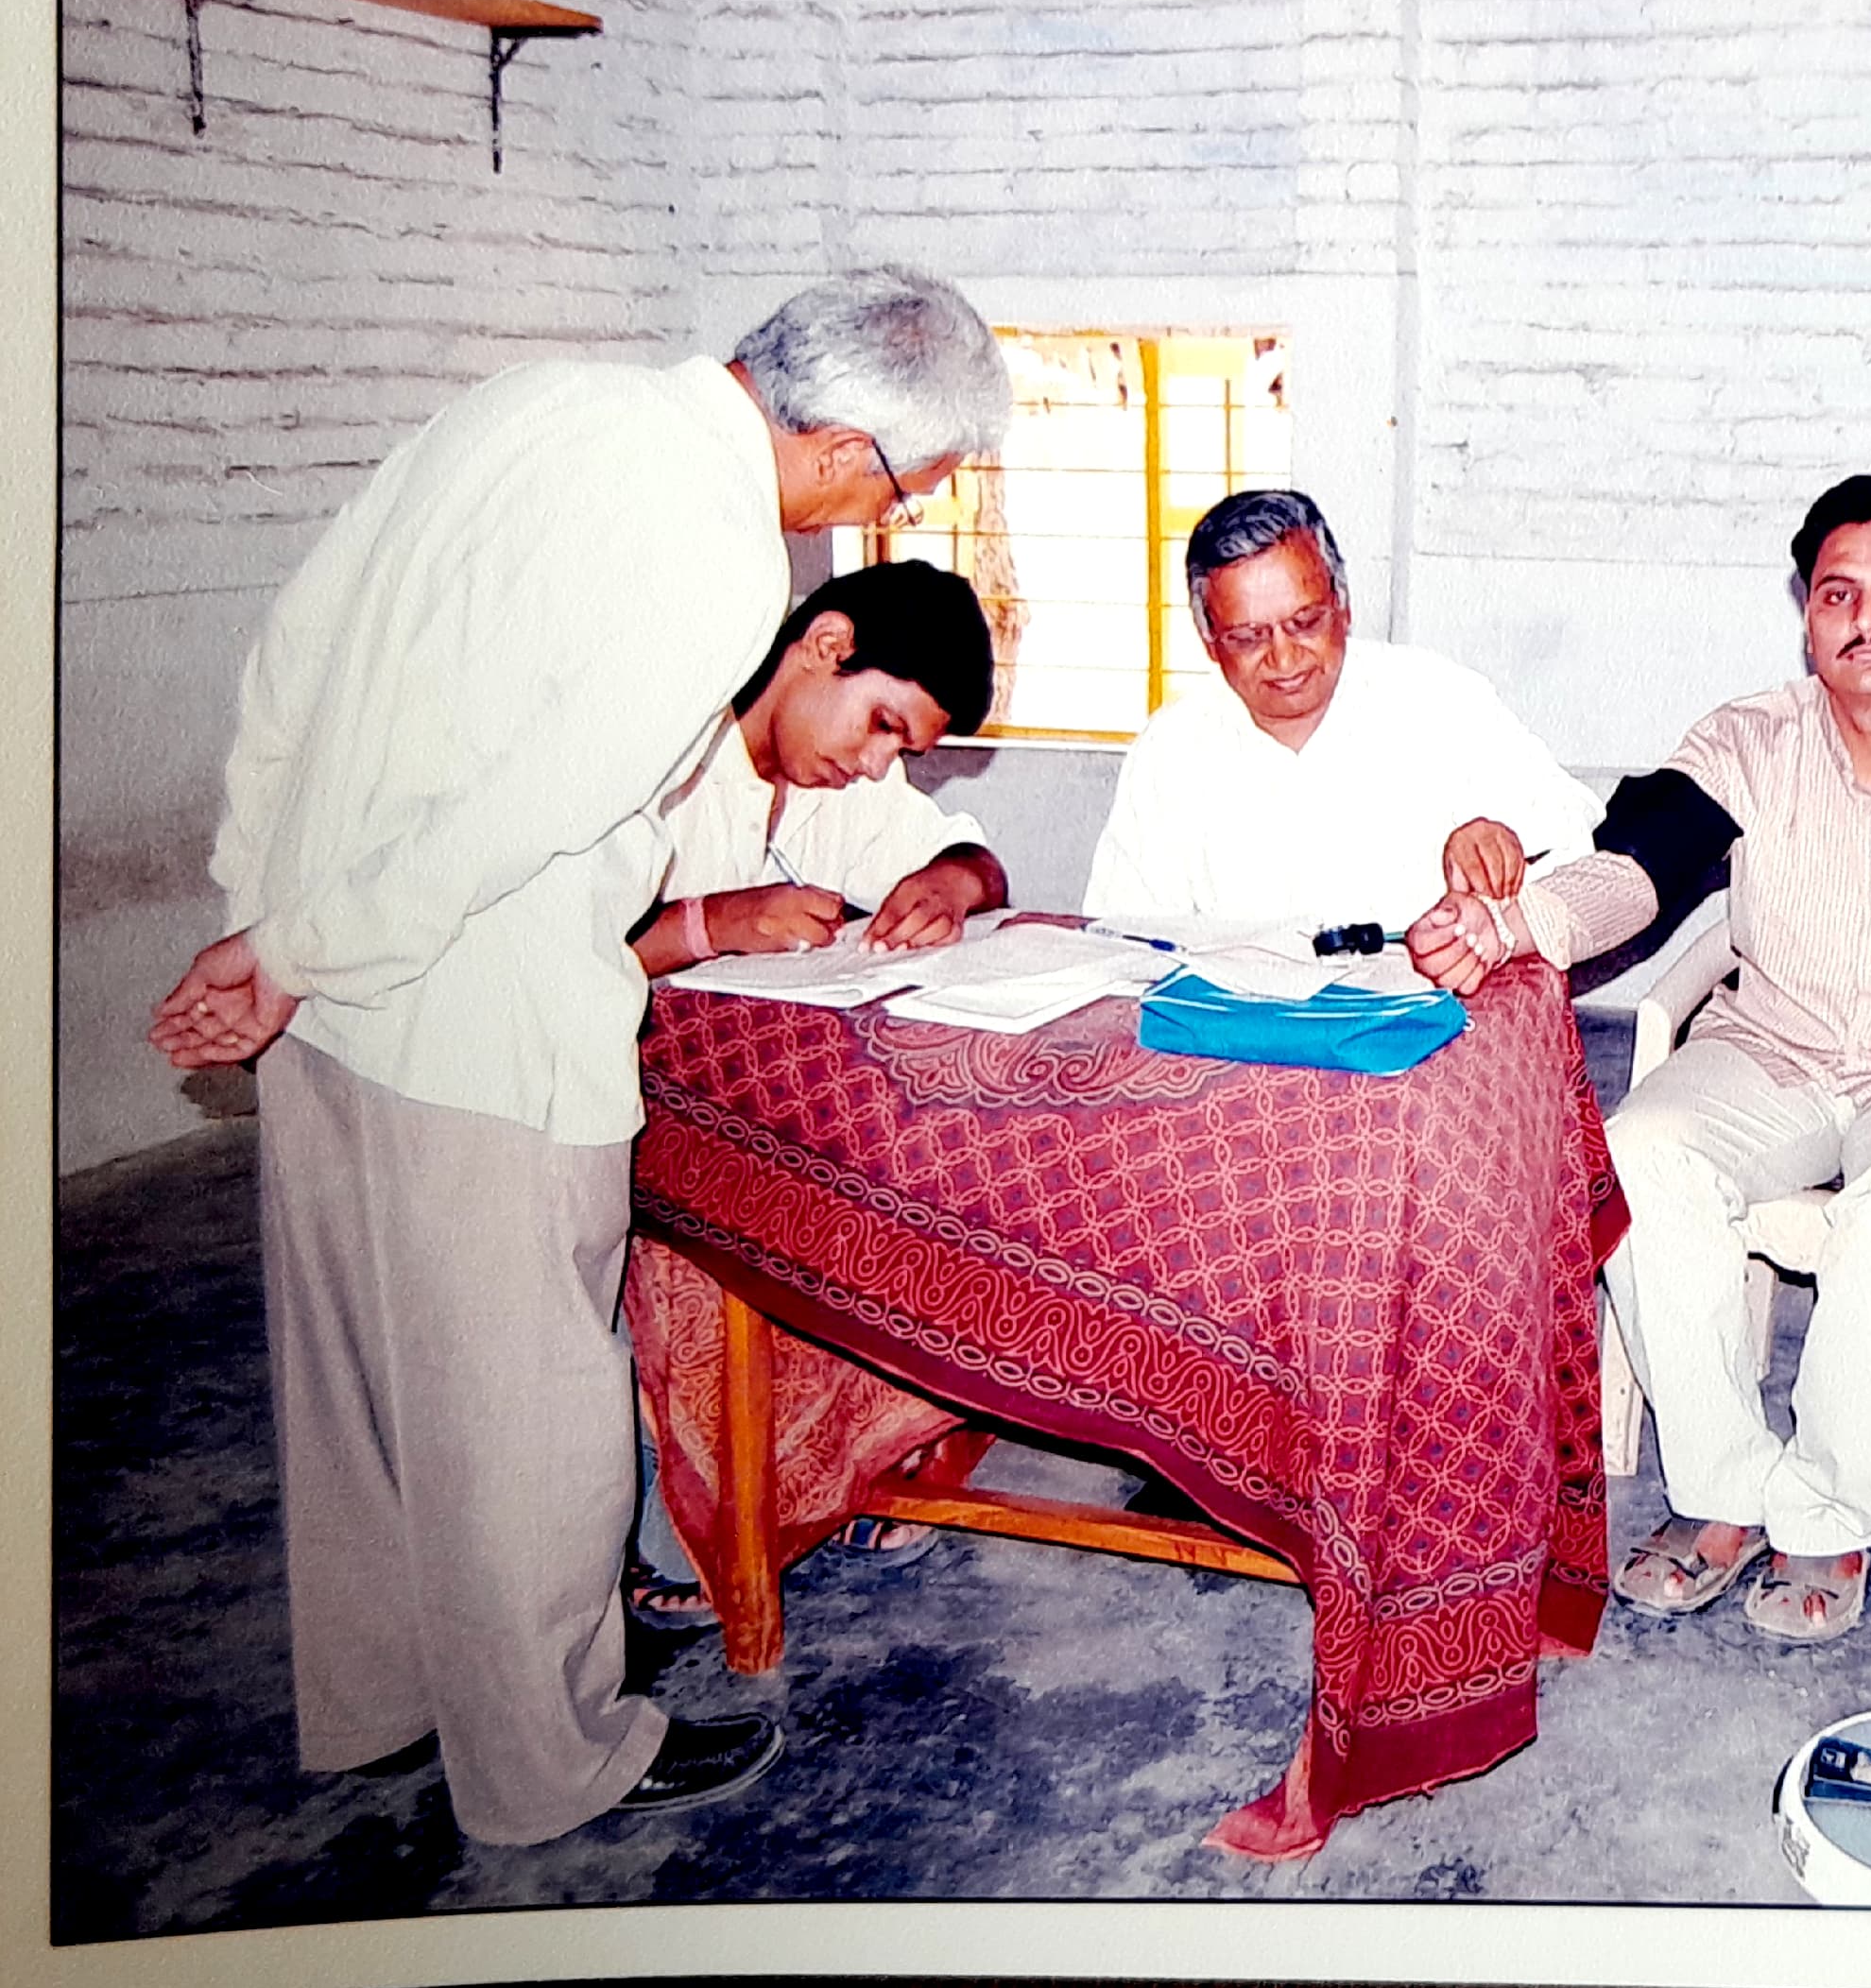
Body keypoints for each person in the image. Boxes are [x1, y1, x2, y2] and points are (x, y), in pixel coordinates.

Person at [148, 267, 1015, 1842]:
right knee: (529, 1404)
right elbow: (527, 807)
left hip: (333, 1000)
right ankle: (549, 1754)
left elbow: (294, 648)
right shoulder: (714, 548)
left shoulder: (528, 403)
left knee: (357, 1388)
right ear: (845, 445)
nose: (864, 510)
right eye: (902, 485)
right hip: (477, 1011)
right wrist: (289, 948)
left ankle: (377, 1701)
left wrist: (261, 905)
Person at [1406, 475, 1871, 1643]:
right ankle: (1722, 1493)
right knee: (1638, 1151)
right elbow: (1643, 864)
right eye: (1837, 592)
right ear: (1807, 613)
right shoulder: (1747, 738)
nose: (1868, 617)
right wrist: (1515, 924)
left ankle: (1829, 1510)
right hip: (1773, 1051)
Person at [619, 557, 1009, 1621]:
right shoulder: (660, 754)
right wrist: (710, 925)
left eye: (906, 748)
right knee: (711, 1246)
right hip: (621, 1106)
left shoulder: (846, 781)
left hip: (761, 1098)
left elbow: (977, 861)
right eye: (880, 723)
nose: (878, 760)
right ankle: (701, 1523)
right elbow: (538, 939)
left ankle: (853, 1468)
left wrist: (949, 881)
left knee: (935, 1176)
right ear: (825, 646)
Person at [1082, 488, 1599, 934]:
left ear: (1343, 604)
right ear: (1209, 641)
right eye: (1248, 638)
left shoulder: (1438, 699)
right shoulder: (1172, 749)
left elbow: (1577, 827)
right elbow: (1123, 931)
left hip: (1419, 1018)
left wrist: (1503, 840)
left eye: (1305, 623)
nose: (1284, 659)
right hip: (1241, 1031)